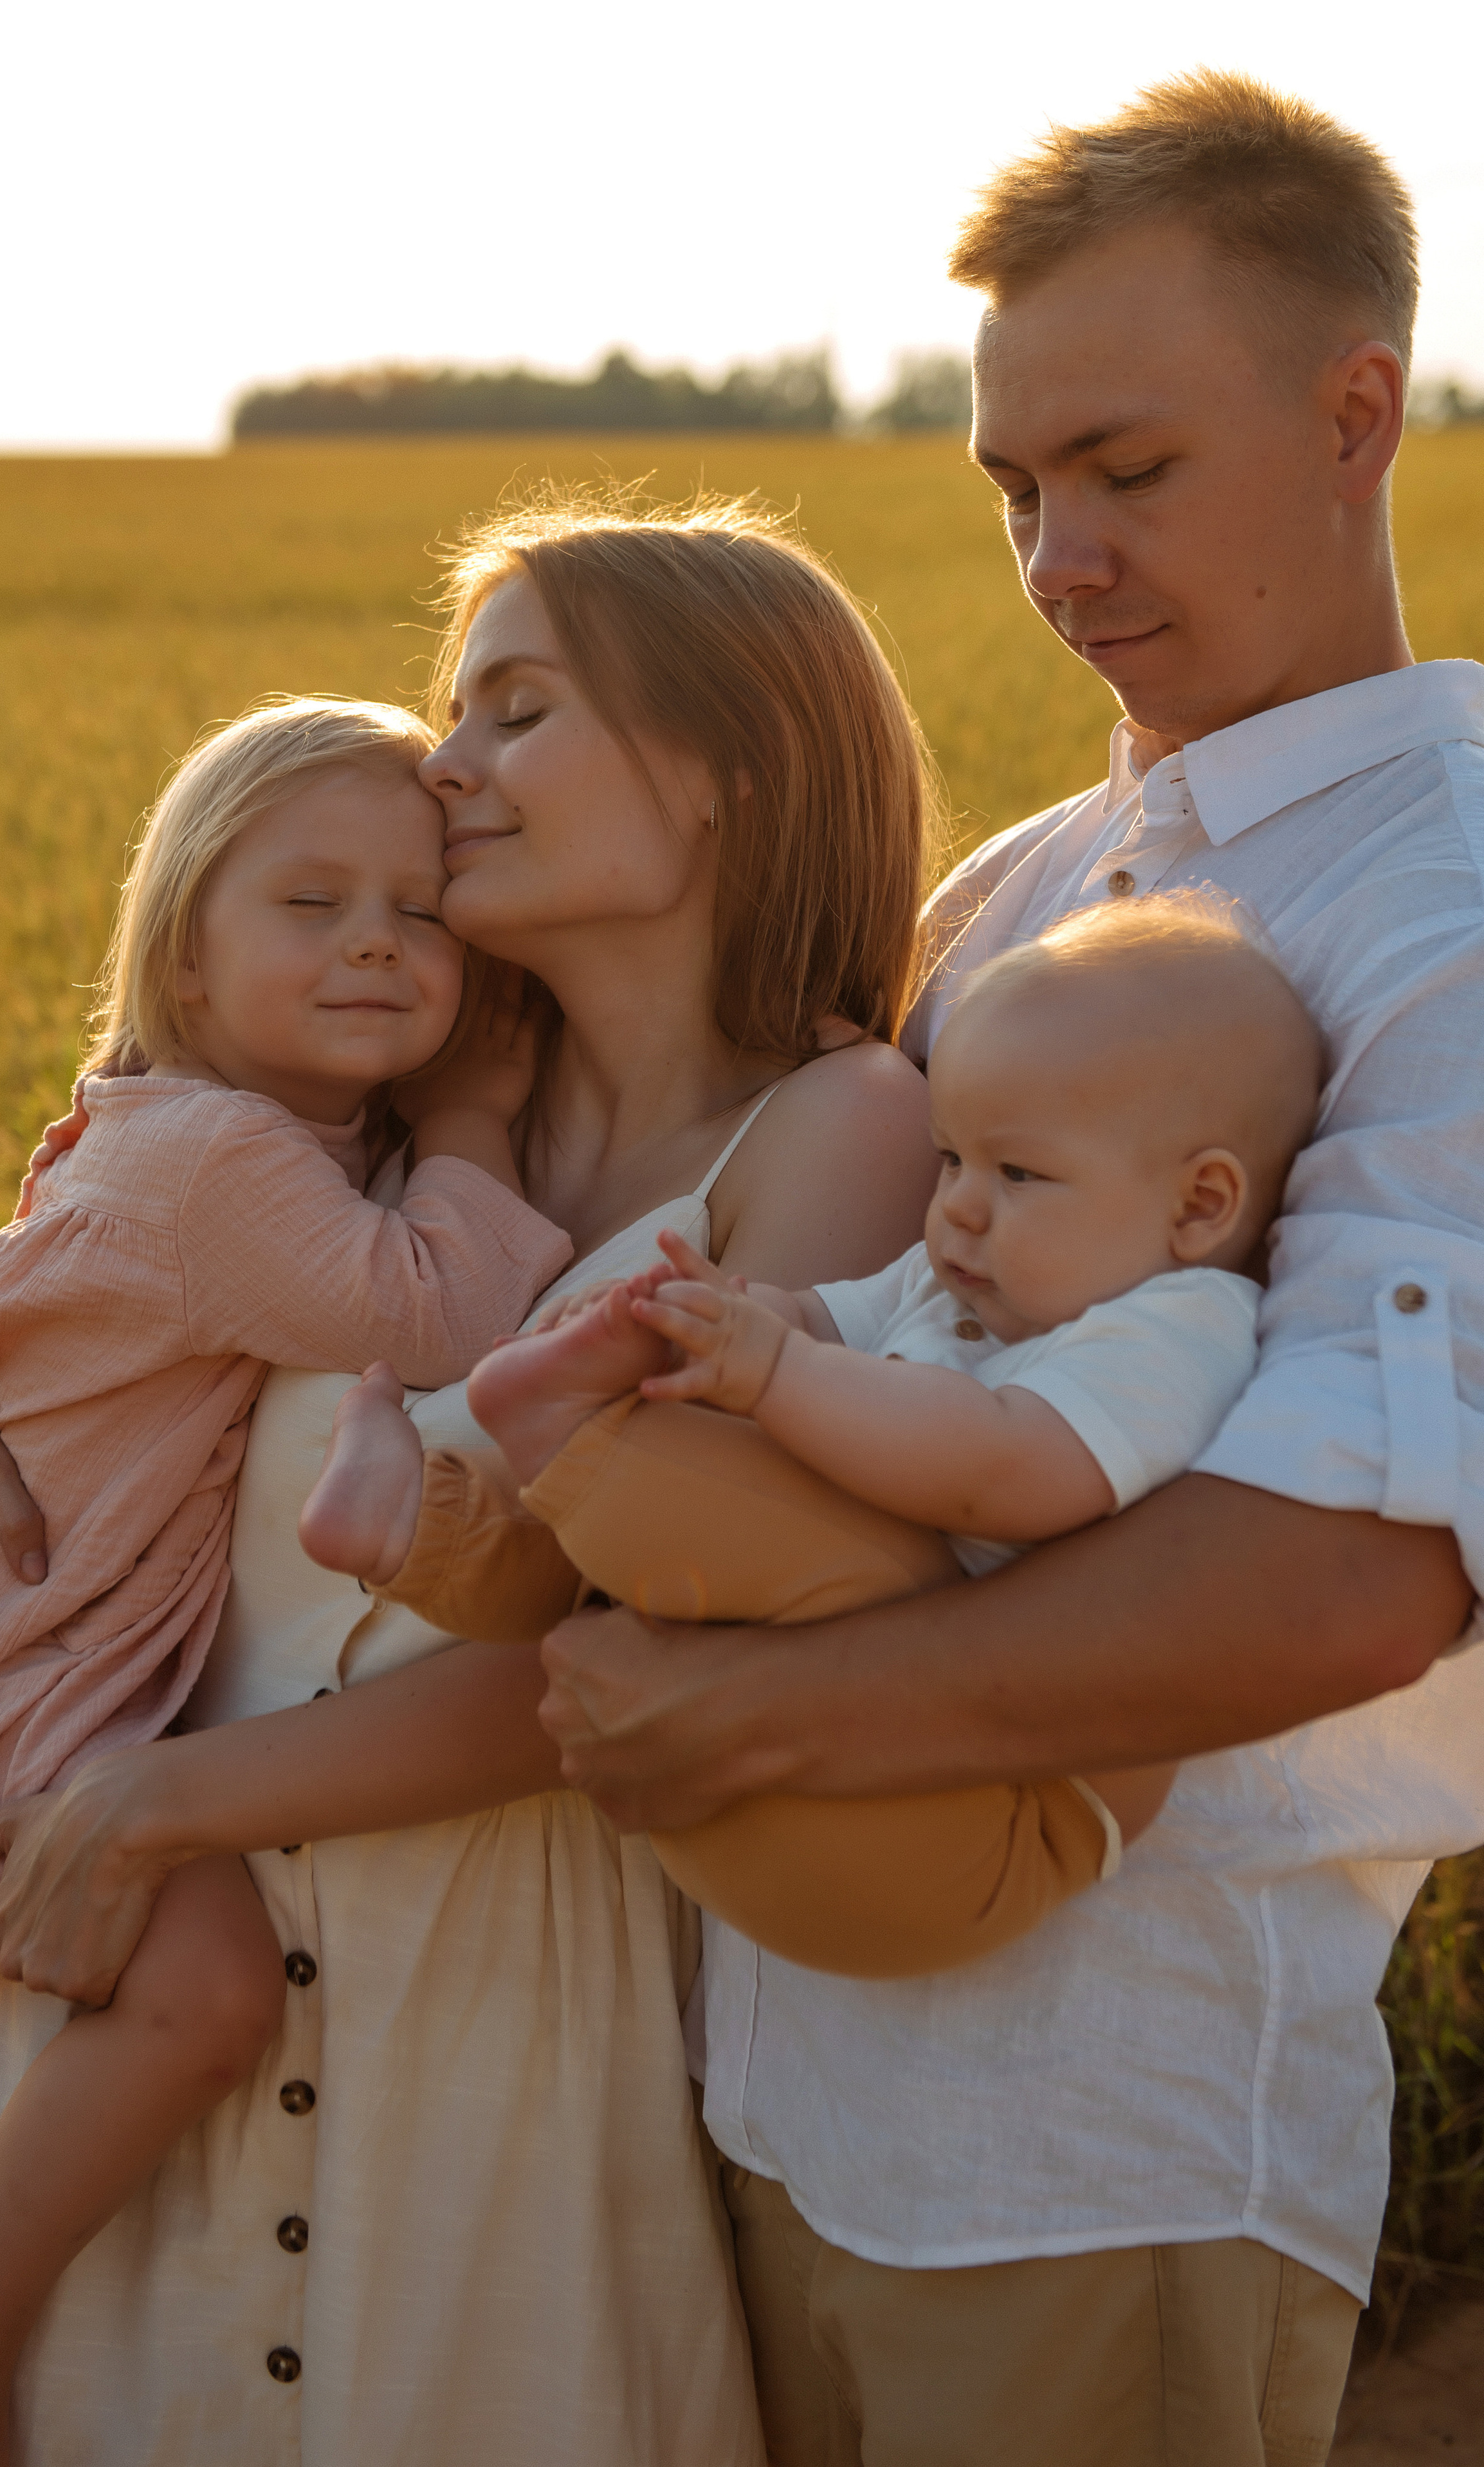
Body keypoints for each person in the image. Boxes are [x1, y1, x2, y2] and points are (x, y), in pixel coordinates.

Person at [531, 73, 1484, 2466]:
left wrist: (751, 1715)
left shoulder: (1445, 902)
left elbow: (1363, 1571)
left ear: (1355, 412)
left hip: (1103, 2139)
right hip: (774, 2093)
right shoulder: (1028, 886)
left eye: (1127, 468)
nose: (1058, 556)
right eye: (1013, 488)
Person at [0, 495, 937, 2466]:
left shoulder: (839, 1131)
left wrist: (165, 1799)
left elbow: (654, 1657)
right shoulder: (372, 1120)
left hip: (468, 2024)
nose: (446, 765)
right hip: (113, 2015)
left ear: (719, 776)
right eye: (456, 705)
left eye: (514, 707)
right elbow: (120, 1304)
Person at [0, 695, 575, 2464]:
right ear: (184, 946)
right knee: (213, 1986)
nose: (379, 945)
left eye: (418, 910)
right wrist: (478, 1117)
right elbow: (436, 1316)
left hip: (51, 1646)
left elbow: (28, 1274)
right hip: (23, 1678)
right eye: (309, 905)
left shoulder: (207, 1129)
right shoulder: (235, 1155)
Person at [304, 895, 1323, 1976]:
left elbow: (1007, 1471)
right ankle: (420, 1521)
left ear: (1200, 1204)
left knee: (737, 1469)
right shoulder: (962, 1275)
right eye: (949, 1161)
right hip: (803, 1757)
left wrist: (775, 1372)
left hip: (990, 1811)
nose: (962, 1210)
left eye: (1018, 1173)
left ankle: (555, 1419)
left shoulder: (1177, 1323)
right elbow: (829, 1316)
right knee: (634, 1548)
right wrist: (720, 1316)